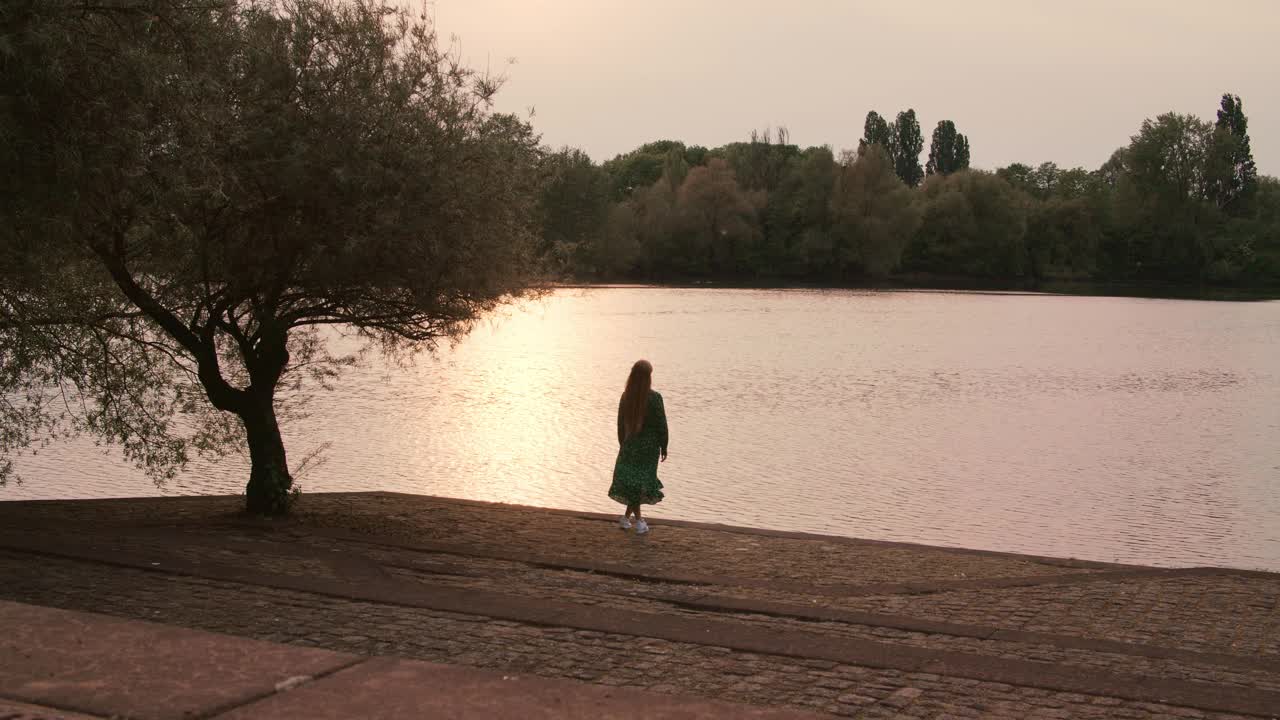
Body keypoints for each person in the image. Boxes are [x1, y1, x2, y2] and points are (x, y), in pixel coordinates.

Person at [608, 359, 668, 534]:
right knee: (639, 483)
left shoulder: (626, 396)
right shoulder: (655, 398)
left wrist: (623, 444)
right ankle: (639, 521)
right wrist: (664, 446)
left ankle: (626, 518)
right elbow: (661, 425)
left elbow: (620, 424)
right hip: (649, 448)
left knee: (632, 483)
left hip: (630, 445)